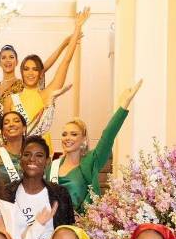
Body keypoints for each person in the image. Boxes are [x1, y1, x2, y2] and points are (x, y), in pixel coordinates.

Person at [49, 80, 141, 213]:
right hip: (54, 228)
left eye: (74, 134)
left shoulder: (91, 161)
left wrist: (123, 105)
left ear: (84, 139)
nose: (67, 138)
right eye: (64, 134)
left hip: (82, 227)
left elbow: (108, 136)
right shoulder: (52, 167)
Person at [1, 10, 88, 138]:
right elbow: (5, 134)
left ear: (41, 74)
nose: (30, 73)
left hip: (42, 150)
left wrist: (77, 28)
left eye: (35, 69)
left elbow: (66, 61)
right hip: (18, 152)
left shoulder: (47, 94)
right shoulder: (10, 99)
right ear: (21, 72)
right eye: (26, 69)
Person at [6, 135, 75, 239]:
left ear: (47, 161)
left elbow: (71, 233)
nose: (32, 159)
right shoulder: (7, 194)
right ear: (20, 158)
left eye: (39, 156)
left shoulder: (59, 194)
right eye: (27, 155)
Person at [0, 40, 70, 103]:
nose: (7, 60)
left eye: (11, 57)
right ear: (0, 62)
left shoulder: (23, 84)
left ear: (17, 62)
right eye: (3, 58)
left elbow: (43, 68)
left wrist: (64, 44)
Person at [0, 109, 27, 188]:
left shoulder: (34, 154)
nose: (11, 124)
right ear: (2, 132)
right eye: (6, 123)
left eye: (16, 121)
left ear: (24, 128)